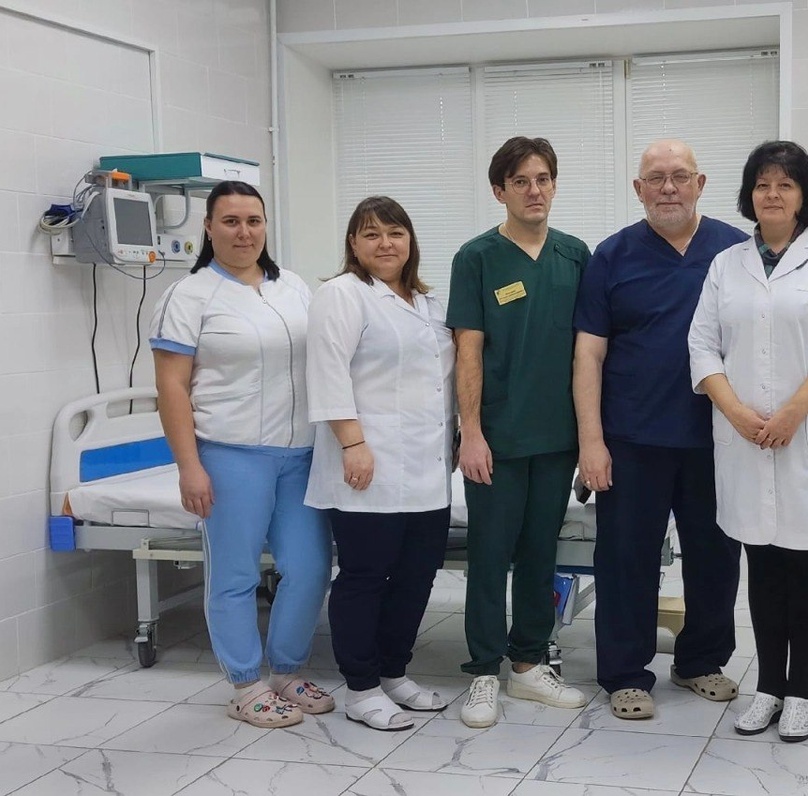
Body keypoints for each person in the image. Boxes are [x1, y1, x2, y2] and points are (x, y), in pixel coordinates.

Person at [688, 141, 808, 742]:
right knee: (761, 561)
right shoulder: (726, 264)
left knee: (806, 561)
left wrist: (791, 414)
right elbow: (702, 345)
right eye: (763, 184)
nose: (773, 194)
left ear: (803, 195)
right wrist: (736, 412)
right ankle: (767, 686)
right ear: (749, 195)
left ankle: (801, 691)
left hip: (807, 435)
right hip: (744, 438)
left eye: (785, 184)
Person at [573, 139, 747, 720]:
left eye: (679, 176)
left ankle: (700, 661)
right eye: (655, 178)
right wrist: (591, 442)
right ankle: (625, 674)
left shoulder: (735, 251)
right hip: (632, 438)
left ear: (701, 184)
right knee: (626, 560)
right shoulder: (612, 256)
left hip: (716, 438)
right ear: (638, 189)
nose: (668, 187)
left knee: (716, 557)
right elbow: (589, 355)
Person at [150, 180, 333, 729]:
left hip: (300, 455)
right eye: (230, 221)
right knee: (234, 574)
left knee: (309, 568)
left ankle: (285, 670)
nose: (244, 232)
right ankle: (245, 683)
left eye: (254, 220)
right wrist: (189, 466)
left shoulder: (293, 287)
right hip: (231, 454)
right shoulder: (189, 296)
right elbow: (172, 389)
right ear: (209, 228)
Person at [446, 136, 591, 728]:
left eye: (543, 179)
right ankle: (484, 672)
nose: (535, 191)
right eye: (521, 181)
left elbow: (589, 352)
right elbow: (468, 350)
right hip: (498, 438)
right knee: (489, 554)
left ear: (554, 185)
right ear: (499, 191)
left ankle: (529, 665)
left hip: (557, 437)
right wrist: (472, 433)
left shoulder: (575, 256)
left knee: (539, 553)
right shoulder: (477, 258)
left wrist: (590, 438)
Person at [304, 196, 455, 732]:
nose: (385, 244)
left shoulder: (429, 303)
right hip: (366, 462)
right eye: (371, 234)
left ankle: (394, 673)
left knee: (416, 577)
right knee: (365, 577)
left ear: (410, 240)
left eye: (395, 233)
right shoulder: (342, 295)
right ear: (353, 244)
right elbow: (327, 371)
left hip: (427, 467)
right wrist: (352, 443)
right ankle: (361, 687)